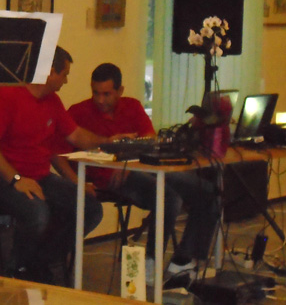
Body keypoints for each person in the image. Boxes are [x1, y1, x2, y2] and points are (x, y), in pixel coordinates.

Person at [53, 63, 220, 285]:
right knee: (168, 197)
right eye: (95, 93)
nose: (100, 100)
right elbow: (56, 153)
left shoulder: (132, 106)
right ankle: (151, 261)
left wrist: (128, 156)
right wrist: (77, 182)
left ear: (120, 91)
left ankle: (184, 259)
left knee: (208, 191)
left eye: (106, 94)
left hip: (142, 168)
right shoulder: (78, 112)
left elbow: (150, 139)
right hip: (109, 178)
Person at [0, 47, 120, 285]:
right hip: (0, 178)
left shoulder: (52, 101)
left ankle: (39, 261)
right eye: (65, 74)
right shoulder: (5, 95)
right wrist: (17, 180)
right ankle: (16, 270)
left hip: (39, 176)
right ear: (51, 71)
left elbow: (77, 136)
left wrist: (109, 143)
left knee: (90, 208)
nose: (66, 80)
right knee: (37, 212)